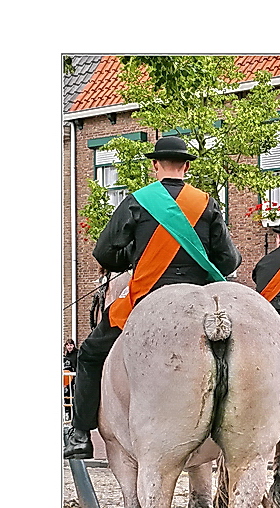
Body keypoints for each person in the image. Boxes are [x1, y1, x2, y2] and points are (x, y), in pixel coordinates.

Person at [63, 135, 242, 460]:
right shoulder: (207, 203)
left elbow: (104, 251)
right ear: (186, 167)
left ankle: (79, 434)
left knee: (89, 354)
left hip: (144, 304)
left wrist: (132, 258)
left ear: (155, 166)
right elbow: (229, 261)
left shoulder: (137, 201)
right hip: (196, 305)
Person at [63, 339, 78, 421]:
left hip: (74, 379)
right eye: (68, 345)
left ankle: (74, 414)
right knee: (66, 396)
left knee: (74, 396)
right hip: (66, 380)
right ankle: (67, 413)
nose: (69, 347)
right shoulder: (65, 355)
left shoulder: (76, 354)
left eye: (71, 345)